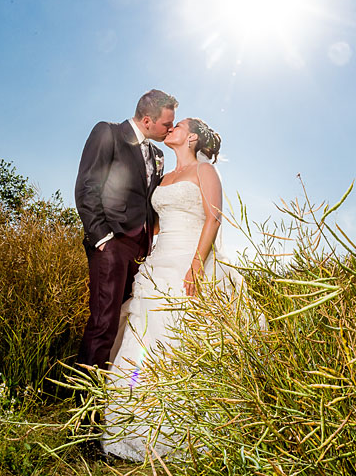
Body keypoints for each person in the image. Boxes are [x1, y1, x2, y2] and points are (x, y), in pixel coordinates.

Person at [102, 117, 239, 461]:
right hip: (158, 263)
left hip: (189, 261)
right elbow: (156, 224)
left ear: (191, 137)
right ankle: (133, 421)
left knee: (179, 339)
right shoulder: (164, 177)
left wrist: (196, 264)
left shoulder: (205, 172)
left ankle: (182, 428)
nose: (171, 129)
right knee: (143, 340)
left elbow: (214, 217)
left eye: (178, 126)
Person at [74, 90, 178, 371]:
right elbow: (87, 186)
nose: (170, 130)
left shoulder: (157, 154)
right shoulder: (108, 133)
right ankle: (85, 403)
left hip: (142, 252)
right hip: (112, 243)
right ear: (147, 120)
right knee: (103, 322)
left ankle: (113, 389)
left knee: (126, 318)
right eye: (167, 125)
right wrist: (103, 239)